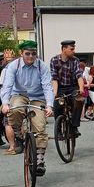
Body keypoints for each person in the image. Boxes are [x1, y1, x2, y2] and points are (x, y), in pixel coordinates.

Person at [0, 40, 54, 174]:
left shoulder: (42, 66)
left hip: (37, 97)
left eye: (33, 53)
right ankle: (18, 133)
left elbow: (47, 86)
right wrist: (5, 103)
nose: (31, 56)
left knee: (40, 127)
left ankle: (40, 160)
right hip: (19, 94)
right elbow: (7, 85)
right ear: (21, 53)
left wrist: (49, 105)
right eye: (27, 53)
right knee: (15, 109)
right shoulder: (14, 66)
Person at [50, 40, 84, 136]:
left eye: (74, 49)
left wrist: (81, 88)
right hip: (60, 88)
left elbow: (79, 75)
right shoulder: (54, 60)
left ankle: (74, 127)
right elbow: (54, 78)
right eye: (71, 49)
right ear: (64, 49)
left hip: (73, 87)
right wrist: (55, 93)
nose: (74, 51)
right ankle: (58, 130)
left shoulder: (75, 60)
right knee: (57, 107)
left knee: (79, 101)